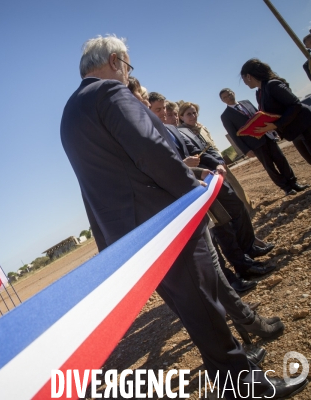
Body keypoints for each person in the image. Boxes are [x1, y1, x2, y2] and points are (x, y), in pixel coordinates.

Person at [60, 35, 307, 398]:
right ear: (115, 61)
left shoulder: (70, 114)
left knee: (195, 308)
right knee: (204, 307)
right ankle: (248, 387)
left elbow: (114, 176)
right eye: (128, 67)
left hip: (132, 235)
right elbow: (152, 151)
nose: (129, 76)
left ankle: (233, 374)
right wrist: (194, 196)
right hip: (165, 222)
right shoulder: (110, 94)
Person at [150, 93, 275, 288]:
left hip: (204, 184)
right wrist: (186, 166)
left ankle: (243, 266)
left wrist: (211, 165)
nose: (165, 113)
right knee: (213, 242)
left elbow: (196, 150)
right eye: (159, 110)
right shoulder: (151, 136)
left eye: (165, 108)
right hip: (187, 195)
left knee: (224, 227)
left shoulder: (170, 130)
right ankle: (230, 282)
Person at [219, 88, 307, 196]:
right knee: (269, 166)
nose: (229, 97)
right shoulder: (226, 116)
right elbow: (234, 135)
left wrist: (274, 131)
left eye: (229, 94)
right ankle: (286, 188)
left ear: (234, 93)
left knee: (281, 160)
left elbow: (261, 116)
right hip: (255, 144)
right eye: (225, 97)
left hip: (267, 136)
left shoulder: (246, 102)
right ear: (223, 101)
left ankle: (294, 183)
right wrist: (246, 150)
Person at [178, 102, 255, 216]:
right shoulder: (181, 133)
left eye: (194, 113)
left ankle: (248, 207)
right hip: (206, 168)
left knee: (234, 184)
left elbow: (211, 144)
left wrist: (219, 159)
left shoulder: (201, 127)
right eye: (189, 114)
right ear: (181, 116)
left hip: (218, 161)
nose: (193, 116)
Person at [241, 58, 311, 170]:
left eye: (243, 78)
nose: (244, 82)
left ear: (248, 76)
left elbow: (295, 104)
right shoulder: (260, 92)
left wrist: (276, 124)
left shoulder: (272, 85)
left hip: (305, 126)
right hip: (294, 131)